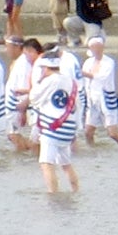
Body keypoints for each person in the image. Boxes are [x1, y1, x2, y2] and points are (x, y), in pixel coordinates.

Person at [29, 50, 80, 194]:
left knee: (46, 163)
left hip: (52, 127)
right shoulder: (70, 81)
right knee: (66, 164)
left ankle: (53, 194)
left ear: (45, 68)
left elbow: (34, 98)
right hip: (68, 127)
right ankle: (76, 191)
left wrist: (38, 82)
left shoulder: (50, 80)